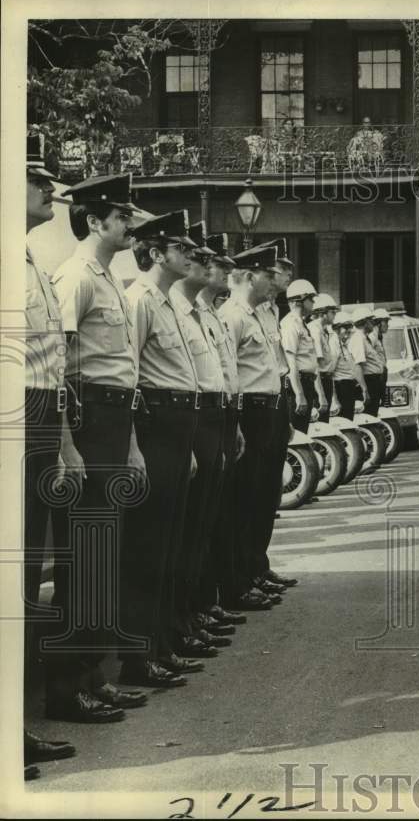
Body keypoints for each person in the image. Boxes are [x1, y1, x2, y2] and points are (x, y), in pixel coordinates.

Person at [50, 173, 144, 723]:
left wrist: (129, 442)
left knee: (101, 555)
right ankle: (66, 690)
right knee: (81, 557)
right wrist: (67, 445)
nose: (131, 223)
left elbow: (125, 373)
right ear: (94, 221)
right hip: (86, 423)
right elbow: (59, 366)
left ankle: (93, 677)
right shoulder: (77, 279)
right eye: (123, 214)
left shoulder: (107, 277)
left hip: (112, 422)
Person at [121, 210, 203, 685]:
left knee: (169, 545)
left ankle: (160, 644)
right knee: (148, 547)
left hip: (178, 426)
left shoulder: (166, 300)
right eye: (180, 248)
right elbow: (130, 377)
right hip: (155, 423)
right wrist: (135, 444)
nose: (188, 255)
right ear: (156, 253)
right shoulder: (141, 301)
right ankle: (139, 655)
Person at [23, 133, 79, 774]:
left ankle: (20, 725)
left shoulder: (32, 258)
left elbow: (52, 361)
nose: (48, 188)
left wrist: (58, 437)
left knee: (27, 574)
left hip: (40, 414)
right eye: (35, 178)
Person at [166, 221, 233, 662]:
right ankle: (174, 625)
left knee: (197, 528)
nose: (205, 264)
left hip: (209, 414)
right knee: (175, 535)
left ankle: (189, 615)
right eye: (198, 256)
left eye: (206, 258)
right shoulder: (162, 304)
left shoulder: (196, 312)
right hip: (176, 417)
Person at [219, 246, 285, 610]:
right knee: (243, 501)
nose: (272, 279)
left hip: (266, 409)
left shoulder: (255, 314)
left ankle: (252, 571)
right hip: (248, 411)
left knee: (260, 497)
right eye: (266, 272)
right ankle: (239, 581)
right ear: (247, 276)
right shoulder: (233, 315)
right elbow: (228, 370)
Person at [195, 233, 248, 627]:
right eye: (216, 263)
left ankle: (204, 604)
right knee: (194, 525)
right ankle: (192, 611)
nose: (225, 269)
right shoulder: (191, 309)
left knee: (212, 519)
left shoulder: (211, 312)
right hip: (194, 416)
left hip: (224, 412)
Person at [251, 242, 298, 590]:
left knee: (269, 491)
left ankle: (259, 564)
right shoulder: (247, 310)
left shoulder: (270, 310)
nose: (283, 275)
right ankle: (248, 569)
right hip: (256, 401)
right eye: (277, 269)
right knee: (253, 490)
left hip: (277, 393)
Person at [281, 278, 321, 433]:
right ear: (300, 300)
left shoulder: (301, 323)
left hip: (307, 382)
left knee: (303, 431)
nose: (313, 303)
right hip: (298, 384)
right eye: (310, 299)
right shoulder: (290, 324)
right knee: (296, 434)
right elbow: (291, 362)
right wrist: (299, 394)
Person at [308, 293, 340, 421]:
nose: (335, 315)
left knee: (324, 421)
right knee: (319, 424)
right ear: (323, 313)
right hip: (318, 382)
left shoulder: (324, 331)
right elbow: (316, 365)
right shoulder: (315, 330)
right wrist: (321, 395)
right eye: (333, 312)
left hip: (325, 380)